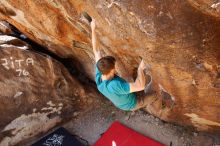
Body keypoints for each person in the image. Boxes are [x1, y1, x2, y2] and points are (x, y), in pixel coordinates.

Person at [91, 19, 154, 111]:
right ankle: (156, 106)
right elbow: (141, 86)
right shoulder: (114, 85)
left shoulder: (99, 74)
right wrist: (140, 69)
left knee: (129, 84)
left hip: (121, 102)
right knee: (154, 95)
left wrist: (93, 28)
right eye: (114, 67)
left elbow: (96, 50)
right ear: (112, 70)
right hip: (132, 103)